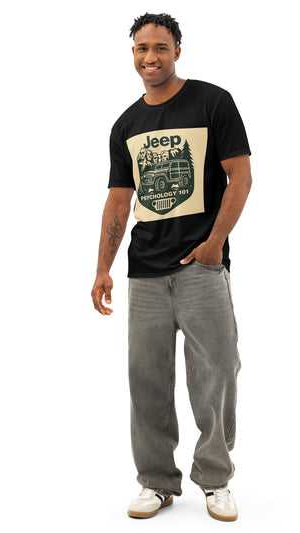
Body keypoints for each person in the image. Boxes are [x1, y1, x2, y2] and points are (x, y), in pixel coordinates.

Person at [91, 12, 252, 522]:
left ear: (177, 51)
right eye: (142, 48)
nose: (151, 57)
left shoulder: (212, 102)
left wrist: (214, 244)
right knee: (147, 381)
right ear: (133, 54)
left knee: (217, 371)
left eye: (160, 47)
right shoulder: (126, 125)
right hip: (145, 272)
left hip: (201, 268)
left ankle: (215, 479)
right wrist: (103, 269)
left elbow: (241, 177)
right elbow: (119, 202)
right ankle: (156, 482)